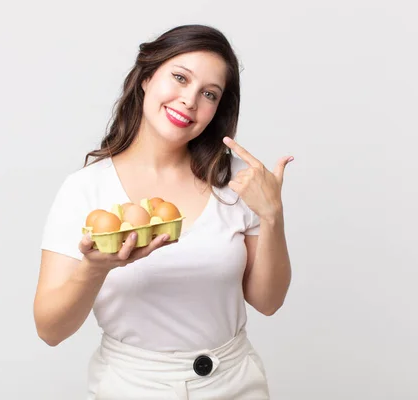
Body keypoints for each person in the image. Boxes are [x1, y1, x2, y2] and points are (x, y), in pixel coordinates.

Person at [34, 24, 293, 399]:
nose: (189, 100)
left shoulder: (237, 181)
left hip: (235, 383)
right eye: (179, 77)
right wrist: (94, 270)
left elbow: (268, 302)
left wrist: (272, 215)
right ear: (145, 77)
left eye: (208, 93)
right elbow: (50, 330)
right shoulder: (86, 189)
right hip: (133, 385)